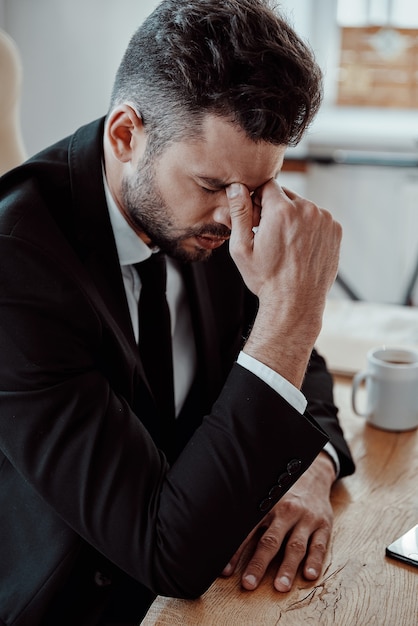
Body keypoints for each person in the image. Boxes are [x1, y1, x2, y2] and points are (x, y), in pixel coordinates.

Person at [0, 0, 355, 624]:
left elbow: (301, 366)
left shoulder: (213, 214)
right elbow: (168, 554)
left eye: (256, 191)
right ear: (126, 135)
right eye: (214, 187)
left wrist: (312, 468)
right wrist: (292, 313)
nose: (238, 218)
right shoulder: (16, 270)